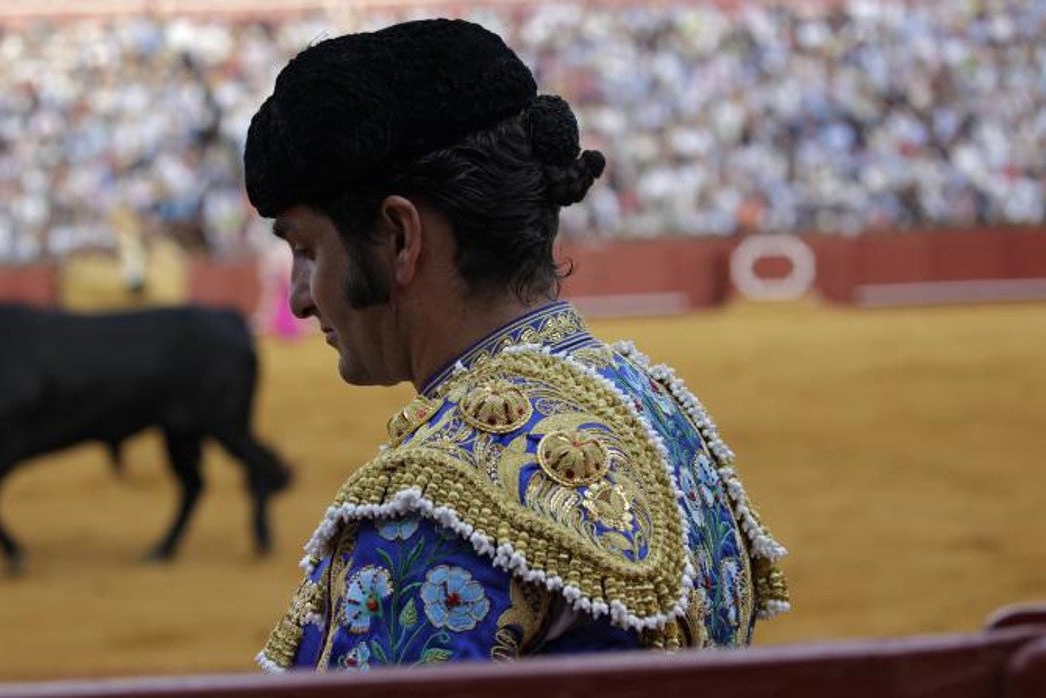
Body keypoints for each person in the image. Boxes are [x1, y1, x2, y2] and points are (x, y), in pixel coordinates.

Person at [244, 18, 790, 672]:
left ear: (397, 237)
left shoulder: (443, 502)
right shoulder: (660, 411)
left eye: (307, 250)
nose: (301, 297)